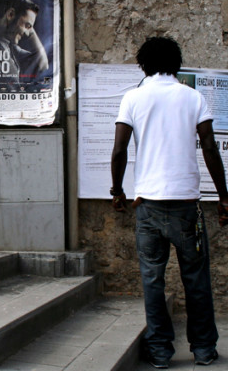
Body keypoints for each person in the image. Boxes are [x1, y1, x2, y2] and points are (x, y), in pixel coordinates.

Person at [110, 37, 228, 369]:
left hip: (147, 205)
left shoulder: (133, 98)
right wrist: (223, 196)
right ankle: (204, 350)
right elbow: (209, 147)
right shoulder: (193, 97)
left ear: (143, 64)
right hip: (187, 208)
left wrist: (117, 190)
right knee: (196, 278)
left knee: (152, 280)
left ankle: (161, 351)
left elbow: (119, 150)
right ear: (176, 63)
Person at [0, 0, 49, 92]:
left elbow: (42, 65)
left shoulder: (11, 47)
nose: (28, 34)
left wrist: (29, 27)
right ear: (10, 14)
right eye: (27, 26)